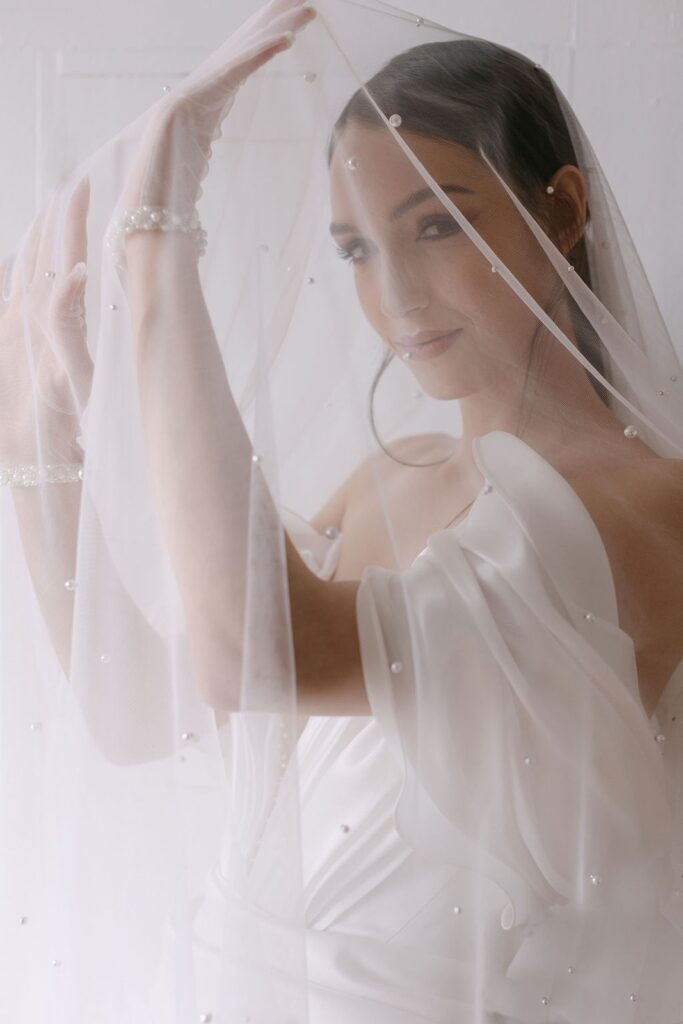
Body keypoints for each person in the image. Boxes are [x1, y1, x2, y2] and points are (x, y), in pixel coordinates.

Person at [1, 0, 683, 1021]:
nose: (395, 291)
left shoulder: (650, 505)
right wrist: (39, 456)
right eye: (355, 250)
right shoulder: (386, 480)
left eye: (436, 225)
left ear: (560, 209)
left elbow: (264, 654)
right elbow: (142, 712)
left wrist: (160, 247)